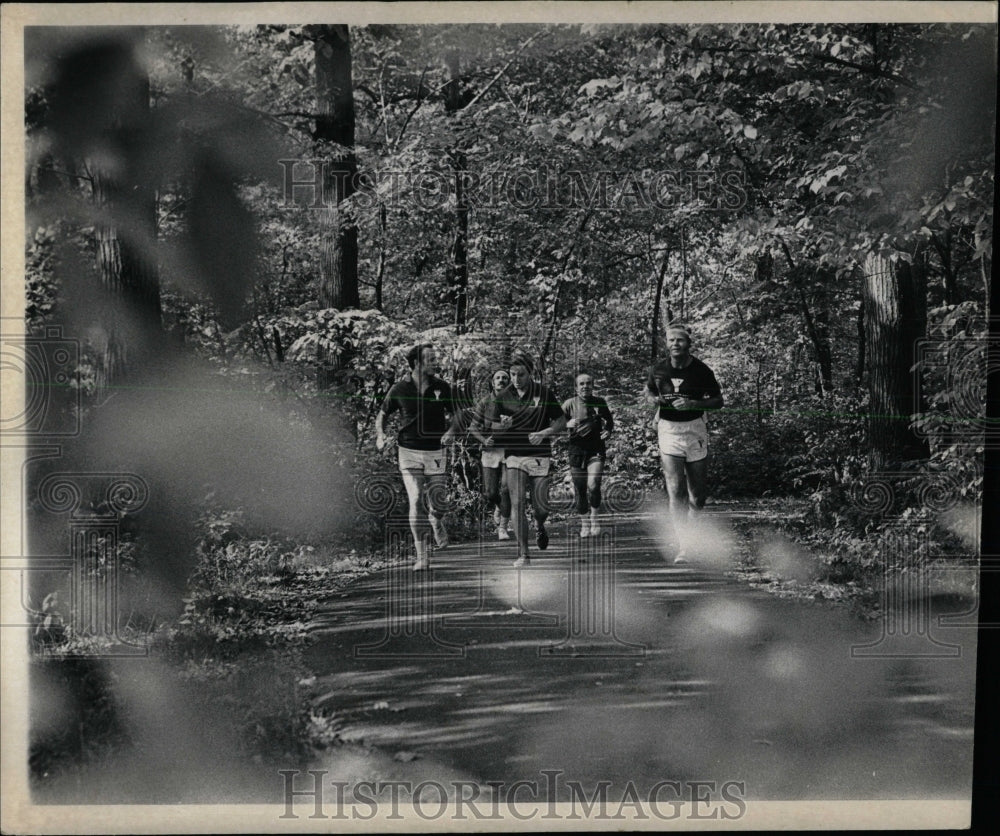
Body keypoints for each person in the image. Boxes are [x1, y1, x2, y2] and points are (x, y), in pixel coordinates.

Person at [646, 326, 724, 563]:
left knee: (698, 495)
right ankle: (684, 544)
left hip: (694, 429)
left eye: (680, 340)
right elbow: (649, 393)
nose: (676, 344)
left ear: (689, 343)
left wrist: (692, 405)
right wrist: (654, 401)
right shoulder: (658, 370)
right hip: (669, 430)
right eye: (671, 340)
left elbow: (719, 401)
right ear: (666, 343)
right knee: (675, 489)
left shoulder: (701, 371)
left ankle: (692, 529)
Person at [375, 343, 454, 571]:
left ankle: (436, 518)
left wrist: (451, 431)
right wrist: (380, 436)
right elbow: (382, 414)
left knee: (438, 501)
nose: (435, 362)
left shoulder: (442, 387)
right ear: (417, 363)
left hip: (436, 449)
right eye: (430, 359)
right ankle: (422, 556)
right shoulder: (400, 388)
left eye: (434, 358)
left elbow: (457, 413)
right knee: (416, 498)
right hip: (408, 449)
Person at [492, 352, 566, 567]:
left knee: (541, 507)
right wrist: (501, 427)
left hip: (539, 453)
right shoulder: (503, 396)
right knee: (517, 503)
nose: (516, 380)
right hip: (514, 454)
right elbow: (492, 427)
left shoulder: (544, 393)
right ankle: (523, 554)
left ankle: (540, 525)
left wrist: (545, 433)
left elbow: (560, 421)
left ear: (530, 374)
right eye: (512, 374)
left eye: (521, 375)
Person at [562, 372, 614, 538]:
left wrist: (608, 431)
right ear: (576, 387)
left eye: (589, 383)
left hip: (596, 449)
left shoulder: (600, 402)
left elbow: (609, 422)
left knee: (593, 484)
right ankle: (584, 523)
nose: (585, 386)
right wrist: (567, 424)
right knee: (580, 489)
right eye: (582, 384)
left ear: (593, 385)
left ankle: (594, 518)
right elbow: (555, 424)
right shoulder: (569, 404)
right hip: (576, 450)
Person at [467, 368, 513, 540]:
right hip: (490, 450)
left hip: (510, 450)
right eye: (498, 378)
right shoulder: (485, 402)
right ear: (492, 383)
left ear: (509, 382)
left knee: (506, 489)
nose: (501, 380)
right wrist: (484, 440)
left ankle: (503, 527)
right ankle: (499, 507)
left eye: (505, 378)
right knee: (491, 493)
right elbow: (473, 427)